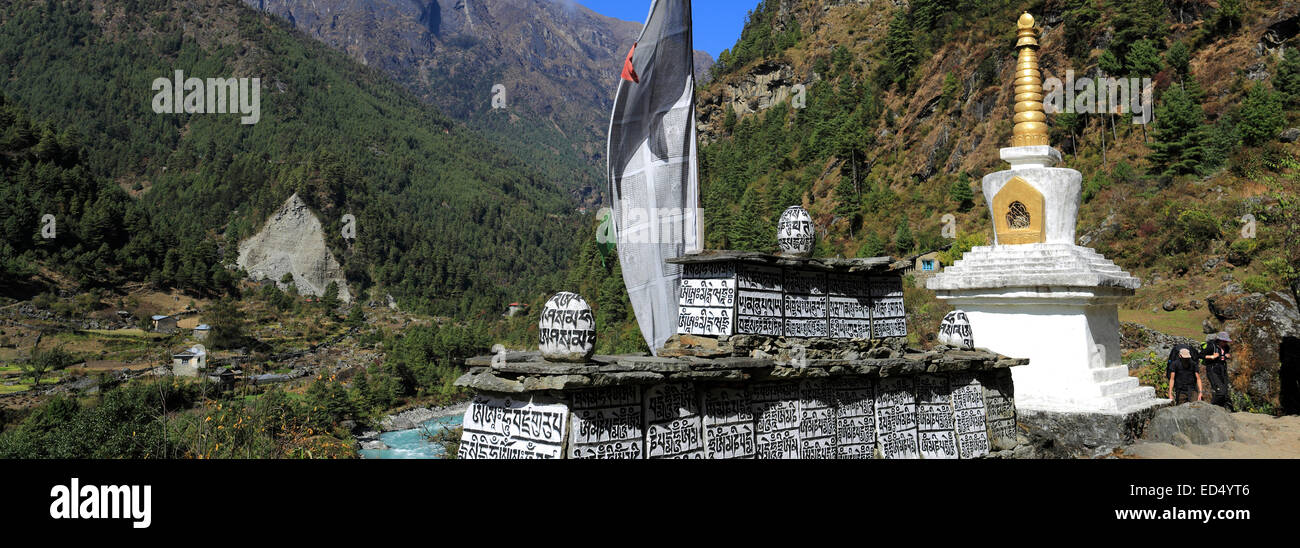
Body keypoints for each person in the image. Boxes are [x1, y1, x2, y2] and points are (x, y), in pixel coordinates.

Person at [1200, 332, 1233, 408]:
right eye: (1224, 341)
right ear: (1219, 340)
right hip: (1212, 369)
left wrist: (1227, 356)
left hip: (1222, 370)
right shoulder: (1211, 346)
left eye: (1226, 341)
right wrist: (1211, 356)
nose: (1225, 343)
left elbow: (1224, 357)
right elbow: (1200, 355)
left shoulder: (1226, 347)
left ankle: (1220, 409)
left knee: (1225, 392)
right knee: (1220, 392)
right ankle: (1212, 408)